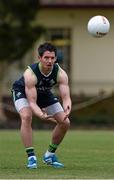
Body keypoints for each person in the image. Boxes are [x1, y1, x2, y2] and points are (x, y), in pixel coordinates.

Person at [12, 42, 72, 169]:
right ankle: (31, 157)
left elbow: (66, 97)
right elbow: (32, 102)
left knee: (65, 122)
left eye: (52, 58)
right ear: (39, 58)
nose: (49, 61)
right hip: (22, 91)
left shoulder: (61, 73)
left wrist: (67, 107)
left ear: (55, 58)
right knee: (27, 116)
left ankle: (49, 155)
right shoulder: (30, 74)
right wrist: (40, 114)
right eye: (46, 58)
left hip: (44, 93)